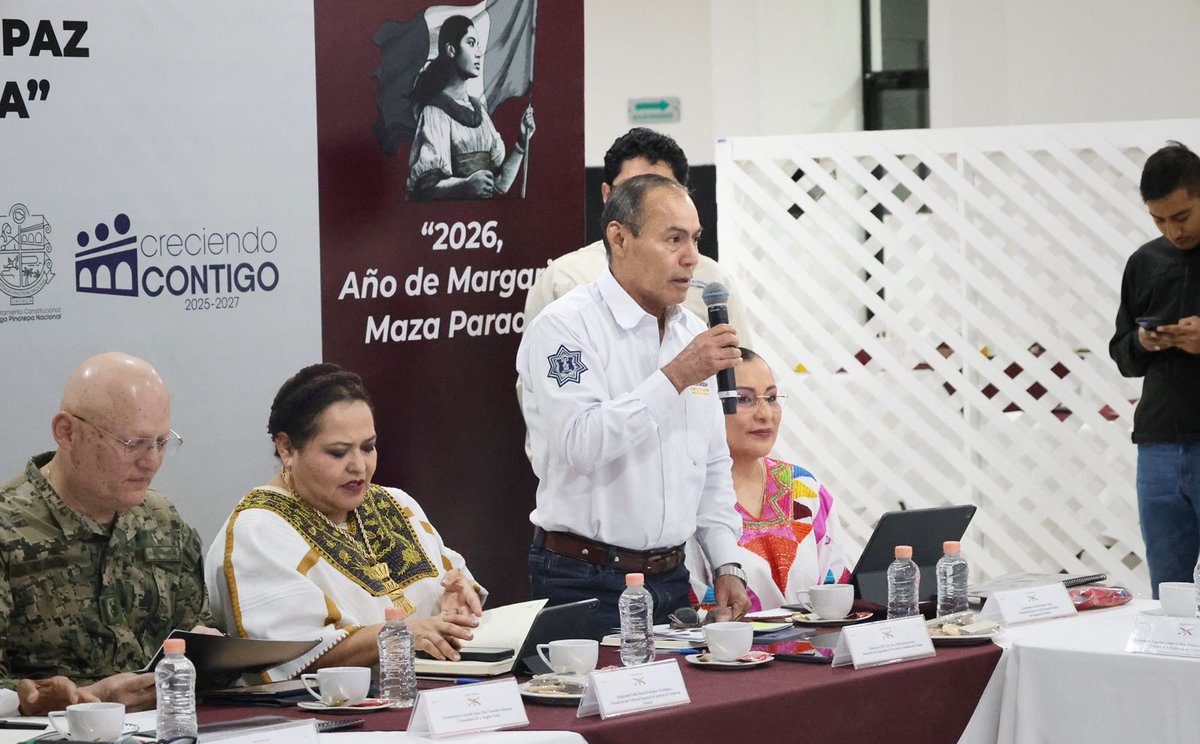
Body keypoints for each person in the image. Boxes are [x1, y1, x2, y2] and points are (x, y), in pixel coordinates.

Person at [518, 174, 751, 638]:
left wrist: (727, 561)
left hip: (672, 579)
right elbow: (580, 444)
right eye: (673, 239)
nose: (692, 258)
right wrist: (677, 376)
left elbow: (711, 465)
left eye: (695, 240)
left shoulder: (689, 334)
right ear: (619, 238)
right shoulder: (565, 327)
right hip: (584, 579)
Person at [207, 364, 483, 681]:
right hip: (323, 717)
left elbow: (452, 582)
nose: (359, 466)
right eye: (338, 453)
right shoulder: (257, 532)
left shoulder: (395, 503)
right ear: (286, 447)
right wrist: (397, 635)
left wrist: (456, 602)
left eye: (368, 447)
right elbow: (290, 654)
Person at [0, 352, 216, 715]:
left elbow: (195, 630)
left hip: (166, 738)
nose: (151, 461)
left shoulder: (164, 522)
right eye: (132, 443)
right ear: (67, 433)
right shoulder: (8, 529)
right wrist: (87, 699)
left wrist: (210, 650)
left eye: (161, 442)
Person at [522, 127, 750, 330]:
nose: (647, 199)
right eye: (632, 190)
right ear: (607, 195)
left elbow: (743, 369)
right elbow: (537, 374)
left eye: (662, 188)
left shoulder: (712, 280)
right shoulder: (565, 278)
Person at [685, 349, 850, 611]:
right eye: (744, 399)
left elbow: (835, 588)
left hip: (812, 650)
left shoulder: (804, 489)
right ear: (704, 405)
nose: (765, 414)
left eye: (771, 397)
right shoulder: (685, 498)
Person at [1110, 140, 1200, 597]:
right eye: (1159, 220)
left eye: (1181, 217)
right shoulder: (1145, 262)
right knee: (1168, 591)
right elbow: (1121, 353)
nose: (1172, 231)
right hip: (1158, 442)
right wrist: (1143, 341)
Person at [406, 14, 536, 200]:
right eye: (471, 43)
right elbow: (425, 189)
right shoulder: (435, 111)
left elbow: (499, 185)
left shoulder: (479, 110)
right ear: (451, 50)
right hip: (450, 222)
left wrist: (522, 142)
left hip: (483, 222)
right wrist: (465, 186)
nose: (478, 53)